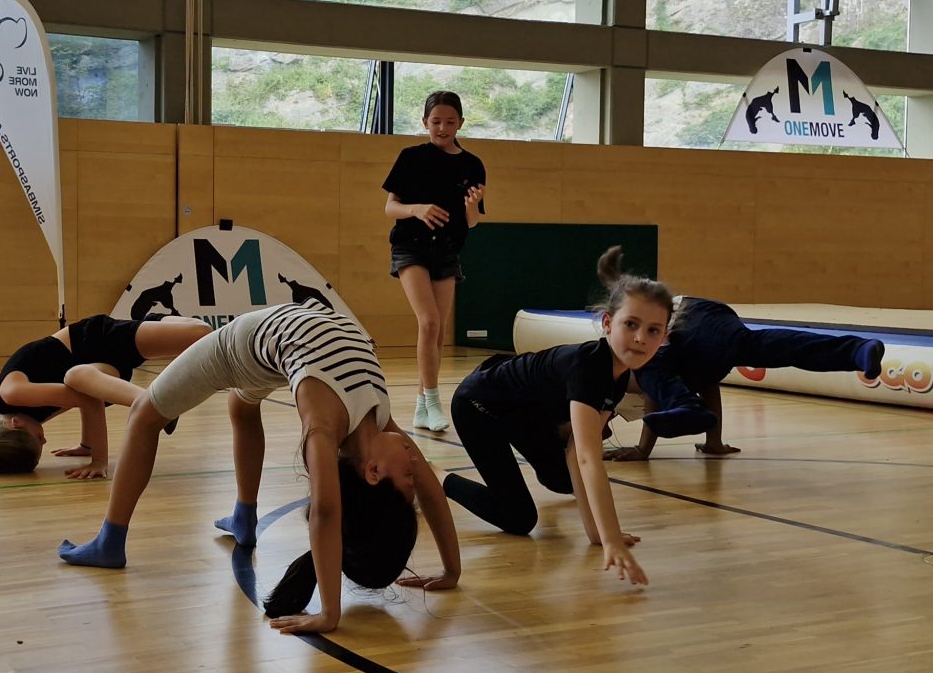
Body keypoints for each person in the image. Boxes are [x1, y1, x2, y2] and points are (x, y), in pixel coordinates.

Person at [57, 302, 462, 635]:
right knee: (242, 405)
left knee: (145, 414)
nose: (415, 463)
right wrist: (450, 570)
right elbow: (432, 490)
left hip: (249, 345)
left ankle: (110, 542)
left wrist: (329, 613)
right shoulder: (382, 427)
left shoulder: (322, 428)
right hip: (278, 346)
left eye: (407, 475)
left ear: (372, 472)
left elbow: (325, 512)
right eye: (412, 473)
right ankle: (244, 516)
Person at [431, 248, 678, 590]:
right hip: (480, 405)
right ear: (608, 323)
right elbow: (588, 458)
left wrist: (596, 534)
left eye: (653, 330)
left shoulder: (618, 375)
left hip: (523, 412)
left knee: (562, 480)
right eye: (631, 324)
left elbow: (576, 451)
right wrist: (611, 540)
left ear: (664, 337)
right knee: (519, 519)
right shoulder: (589, 368)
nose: (640, 338)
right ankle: (434, 475)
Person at [0, 314, 211, 480]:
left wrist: (99, 461)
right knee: (76, 377)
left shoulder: (13, 393)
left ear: (15, 425)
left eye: (38, 439)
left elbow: (87, 400)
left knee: (203, 334)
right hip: (95, 371)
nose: (44, 439)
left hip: (95, 340)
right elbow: (81, 397)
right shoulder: (23, 413)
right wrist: (86, 445)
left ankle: (155, 324)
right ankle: (156, 403)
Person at [613, 298, 886, 459]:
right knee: (759, 349)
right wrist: (714, 442)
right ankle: (856, 351)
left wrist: (642, 449)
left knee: (654, 372)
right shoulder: (665, 369)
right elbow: (708, 383)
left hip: (689, 315)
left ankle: (688, 409)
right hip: (702, 319)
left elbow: (650, 391)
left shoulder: (621, 367)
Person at [383, 90, 486, 435]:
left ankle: (421, 406)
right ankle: (433, 400)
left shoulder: (472, 165)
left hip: (447, 251)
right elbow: (390, 207)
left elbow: (472, 222)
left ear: (461, 123)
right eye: (436, 121)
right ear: (425, 122)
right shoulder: (411, 157)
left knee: (438, 330)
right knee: (428, 322)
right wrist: (417, 209)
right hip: (410, 247)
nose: (442, 128)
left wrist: (472, 207)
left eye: (450, 121)